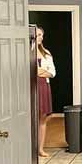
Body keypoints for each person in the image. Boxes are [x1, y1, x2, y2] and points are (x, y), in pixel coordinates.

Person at [36, 27, 56, 157]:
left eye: (42, 35)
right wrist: (42, 71)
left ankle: (40, 149)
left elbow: (52, 72)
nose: (41, 37)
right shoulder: (26, 52)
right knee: (32, 117)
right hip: (32, 87)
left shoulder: (46, 53)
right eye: (38, 35)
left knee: (43, 118)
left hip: (44, 86)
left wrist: (41, 72)